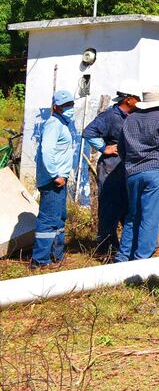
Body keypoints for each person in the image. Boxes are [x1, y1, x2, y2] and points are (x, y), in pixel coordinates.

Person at [115, 85, 159, 262]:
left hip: (132, 173)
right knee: (150, 217)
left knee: (132, 216)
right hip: (155, 172)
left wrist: (130, 164)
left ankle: (123, 257)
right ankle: (142, 259)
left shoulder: (129, 119)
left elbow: (121, 148)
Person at [81, 79, 140, 259]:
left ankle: (123, 246)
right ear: (128, 99)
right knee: (109, 207)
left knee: (125, 206)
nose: (139, 101)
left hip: (125, 167)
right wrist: (104, 148)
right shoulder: (110, 116)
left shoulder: (133, 115)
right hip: (110, 167)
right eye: (137, 98)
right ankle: (105, 248)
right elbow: (88, 132)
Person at [31, 90, 77, 270]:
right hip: (53, 181)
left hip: (59, 180)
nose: (70, 108)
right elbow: (46, 151)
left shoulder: (63, 123)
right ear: (56, 107)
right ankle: (40, 260)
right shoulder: (53, 124)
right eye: (66, 106)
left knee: (58, 219)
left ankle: (56, 255)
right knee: (49, 219)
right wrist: (55, 175)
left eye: (71, 105)